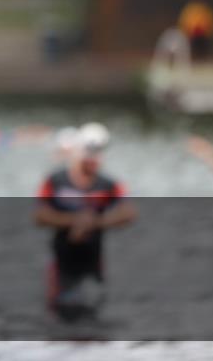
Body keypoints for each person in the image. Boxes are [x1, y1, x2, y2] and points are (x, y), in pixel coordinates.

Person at [34, 122, 137, 320]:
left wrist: (94, 222)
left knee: (94, 314)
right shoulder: (56, 180)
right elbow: (40, 216)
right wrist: (74, 220)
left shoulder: (108, 184)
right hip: (62, 261)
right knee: (60, 314)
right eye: (90, 152)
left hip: (93, 261)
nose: (95, 158)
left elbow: (128, 213)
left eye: (99, 152)